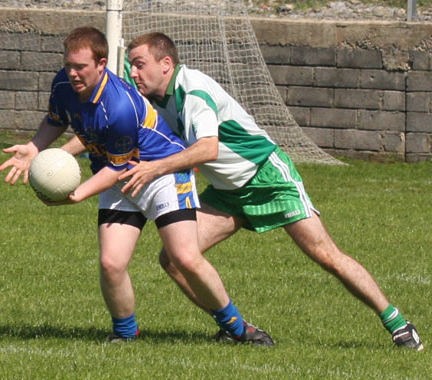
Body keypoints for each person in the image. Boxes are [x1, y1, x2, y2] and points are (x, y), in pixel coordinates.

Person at [114, 31, 423, 350]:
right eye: (131, 65)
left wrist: (154, 168)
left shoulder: (191, 91)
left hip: (267, 177)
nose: (134, 72)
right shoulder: (150, 96)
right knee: (175, 259)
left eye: (139, 64)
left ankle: (399, 325)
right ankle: (236, 328)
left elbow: (207, 149)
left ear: (166, 64)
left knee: (326, 255)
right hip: (226, 191)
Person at [0, 27, 274, 346]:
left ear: (102, 64)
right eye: (69, 64)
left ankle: (239, 328)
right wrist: (34, 147)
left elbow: (116, 168)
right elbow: (57, 120)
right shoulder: (63, 83)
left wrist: (76, 195)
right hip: (121, 174)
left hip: (164, 174)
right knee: (111, 263)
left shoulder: (118, 105)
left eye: (80, 67)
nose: (72, 73)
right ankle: (125, 334)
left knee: (184, 257)